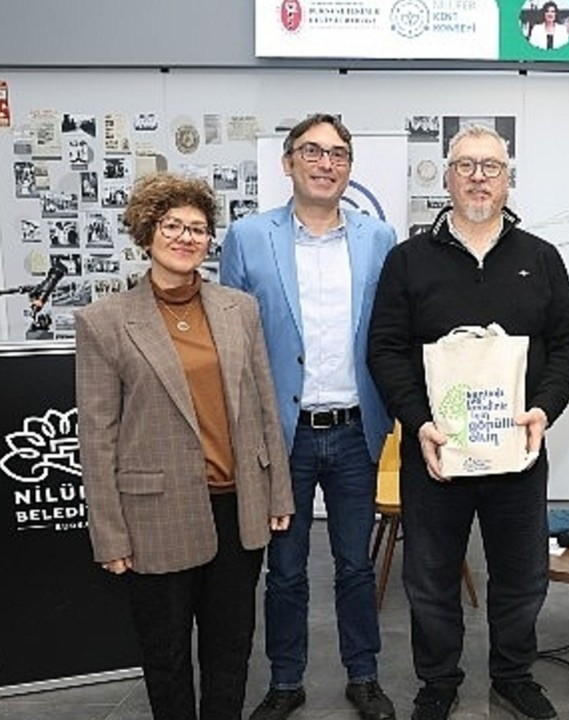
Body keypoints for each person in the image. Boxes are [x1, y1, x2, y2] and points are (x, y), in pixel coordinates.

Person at [367, 124, 569, 720]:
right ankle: (438, 681)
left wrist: (544, 409)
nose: (479, 177)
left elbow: (568, 344)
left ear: (508, 179)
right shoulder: (408, 261)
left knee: (522, 577)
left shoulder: (540, 258)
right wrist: (418, 422)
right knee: (429, 579)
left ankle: (513, 676)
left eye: (491, 166)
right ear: (447, 177)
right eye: (466, 165)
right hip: (436, 454)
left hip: (518, 453)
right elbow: (385, 348)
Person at [77, 172, 293, 720]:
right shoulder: (105, 321)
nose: (185, 237)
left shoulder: (239, 309)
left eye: (197, 228)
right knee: (166, 655)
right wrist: (109, 534)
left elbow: (264, 404)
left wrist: (278, 493)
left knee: (230, 651)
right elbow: (97, 436)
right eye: (172, 225)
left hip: (237, 508)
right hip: (156, 515)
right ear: (146, 231)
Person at [220, 114, 398, 720]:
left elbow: (389, 332)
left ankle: (364, 677)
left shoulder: (378, 238)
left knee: (355, 565)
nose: (327, 163)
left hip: (355, 431)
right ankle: (285, 682)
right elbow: (233, 343)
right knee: (286, 570)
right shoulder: (249, 237)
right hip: (282, 437)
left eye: (339, 154)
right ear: (288, 162)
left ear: (350, 166)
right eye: (314, 151)